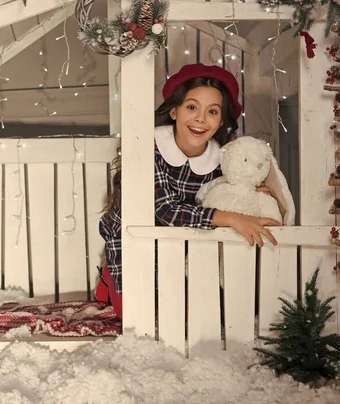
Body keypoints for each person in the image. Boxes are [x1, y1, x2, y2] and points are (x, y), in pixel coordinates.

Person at [95, 63, 280, 319]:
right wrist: (232, 218)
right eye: (191, 107)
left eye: (212, 111)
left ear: (221, 121)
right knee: (138, 316)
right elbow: (165, 211)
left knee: (189, 316)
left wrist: (247, 190)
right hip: (133, 243)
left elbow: (223, 193)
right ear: (174, 111)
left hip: (182, 248)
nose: (200, 119)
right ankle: (108, 279)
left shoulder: (221, 158)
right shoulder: (151, 147)